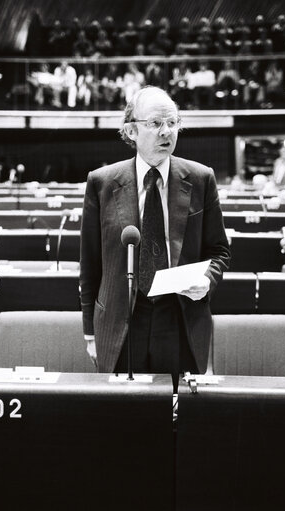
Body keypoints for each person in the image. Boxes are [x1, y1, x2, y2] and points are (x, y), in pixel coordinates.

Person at [79, 86, 230, 390]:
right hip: (120, 324)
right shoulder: (101, 183)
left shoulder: (201, 178)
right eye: (155, 124)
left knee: (176, 421)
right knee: (122, 422)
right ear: (131, 130)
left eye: (172, 123)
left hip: (179, 320)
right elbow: (90, 263)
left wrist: (208, 280)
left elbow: (219, 252)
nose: (166, 132)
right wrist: (90, 332)